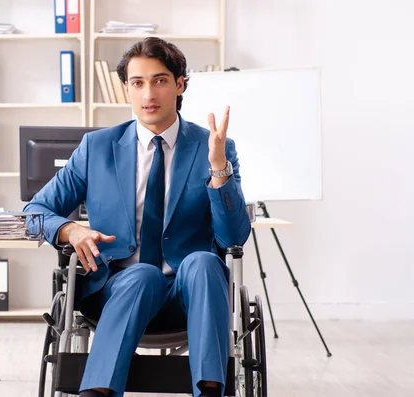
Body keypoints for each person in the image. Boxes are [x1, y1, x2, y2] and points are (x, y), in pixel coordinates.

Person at [24, 37, 251, 397]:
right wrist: (70, 229)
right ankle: (96, 391)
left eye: (160, 80)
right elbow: (34, 212)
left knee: (205, 263)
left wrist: (219, 170)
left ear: (179, 85)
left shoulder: (215, 147)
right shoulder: (97, 147)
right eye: (138, 82)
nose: (149, 93)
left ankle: (210, 391)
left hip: (189, 294)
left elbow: (233, 238)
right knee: (142, 274)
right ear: (126, 89)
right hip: (116, 290)